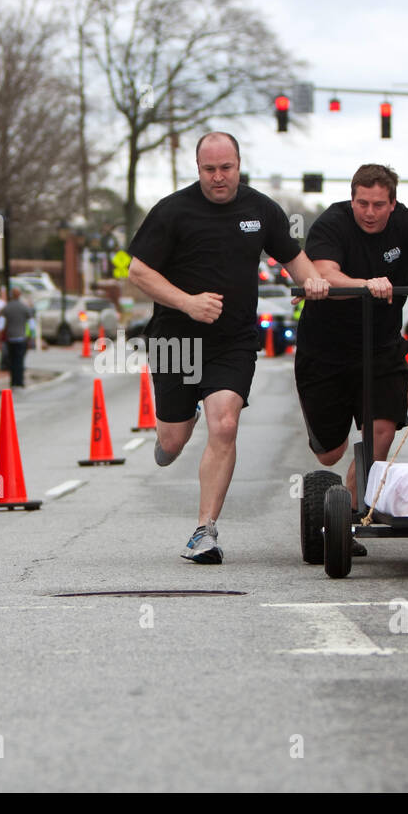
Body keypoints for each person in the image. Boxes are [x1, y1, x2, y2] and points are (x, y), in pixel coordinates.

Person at [127, 131, 329, 565]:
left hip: (232, 340)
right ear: (197, 169)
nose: (218, 178)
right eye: (209, 170)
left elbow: (293, 258)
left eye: (226, 168)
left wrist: (310, 279)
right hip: (174, 341)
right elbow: (138, 271)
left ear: (239, 165)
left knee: (224, 425)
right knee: (173, 441)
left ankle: (205, 531)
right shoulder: (172, 211)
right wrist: (187, 303)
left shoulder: (260, 210)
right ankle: (176, 428)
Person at [295, 163, 408, 511]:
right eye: (362, 203)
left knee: (380, 434)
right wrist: (366, 285)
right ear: (351, 200)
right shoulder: (332, 223)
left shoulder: (407, 222)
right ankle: (337, 491)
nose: (369, 212)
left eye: (378, 205)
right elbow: (325, 272)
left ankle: (348, 514)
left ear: (393, 204)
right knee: (329, 453)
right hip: (325, 351)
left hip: (381, 347)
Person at [0, 286, 31, 388]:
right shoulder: (24, 308)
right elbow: (31, 324)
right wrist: (30, 337)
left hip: (10, 338)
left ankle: (13, 382)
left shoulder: (7, 308)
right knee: (20, 360)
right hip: (21, 337)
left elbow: (1, 324)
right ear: (19, 295)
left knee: (12, 360)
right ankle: (20, 381)